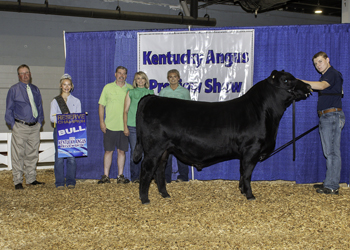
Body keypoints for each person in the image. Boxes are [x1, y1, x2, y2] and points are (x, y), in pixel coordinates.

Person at [301, 51, 345, 195]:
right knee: (329, 151)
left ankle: (332, 185)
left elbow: (321, 86)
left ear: (328, 59)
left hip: (331, 115)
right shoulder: (328, 75)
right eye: (315, 64)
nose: (318, 65)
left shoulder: (332, 73)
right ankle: (329, 181)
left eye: (320, 61)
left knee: (332, 152)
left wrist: (300, 82)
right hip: (328, 116)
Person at [5, 64, 45, 190]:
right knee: (18, 155)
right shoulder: (14, 90)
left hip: (34, 127)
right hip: (20, 126)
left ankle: (31, 178)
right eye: (22, 73)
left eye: (26, 72)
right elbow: (9, 110)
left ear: (30, 74)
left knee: (32, 154)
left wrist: (39, 122)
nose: (25, 75)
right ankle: (17, 180)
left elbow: (39, 107)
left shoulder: (35, 89)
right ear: (18, 76)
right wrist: (13, 126)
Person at [98, 66, 133, 184]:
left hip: (124, 126)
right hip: (110, 125)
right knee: (108, 151)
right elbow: (101, 105)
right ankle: (106, 176)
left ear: (126, 76)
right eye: (119, 73)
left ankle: (120, 176)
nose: (121, 75)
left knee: (121, 151)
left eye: (124, 73)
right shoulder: (108, 87)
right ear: (115, 74)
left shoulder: (130, 89)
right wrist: (102, 122)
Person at [159, 69, 191, 183]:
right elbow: (160, 111)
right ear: (168, 79)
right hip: (167, 127)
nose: (173, 79)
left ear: (178, 78)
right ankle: (166, 177)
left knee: (181, 151)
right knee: (166, 152)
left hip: (180, 126)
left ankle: (183, 177)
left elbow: (189, 109)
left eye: (175, 76)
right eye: (170, 77)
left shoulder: (184, 92)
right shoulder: (163, 92)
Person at [50, 74, 81, 189]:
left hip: (72, 130)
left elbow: (79, 117)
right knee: (59, 157)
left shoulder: (76, 101)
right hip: (59, 130)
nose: (66, 87)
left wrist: (70, 118)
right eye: (64, 84)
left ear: (71, 86)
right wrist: (65, 118)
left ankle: (71, 181)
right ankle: (59, 182)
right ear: (61, 86)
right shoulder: (55, 101)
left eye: (69, 84)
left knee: (71, 157)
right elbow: (52, 118)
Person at [123, 71, 154, 183]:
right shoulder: (130, 92)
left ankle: (145, 176)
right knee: (135, 152)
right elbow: (125, 111)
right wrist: (125, 126)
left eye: (142, 78)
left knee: (148, 153)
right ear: (135, 81)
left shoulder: (150, 92)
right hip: (132, 126)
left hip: (146, 127)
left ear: (145, 80)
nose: (140, 80)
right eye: (138, 78)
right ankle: (135, 177)